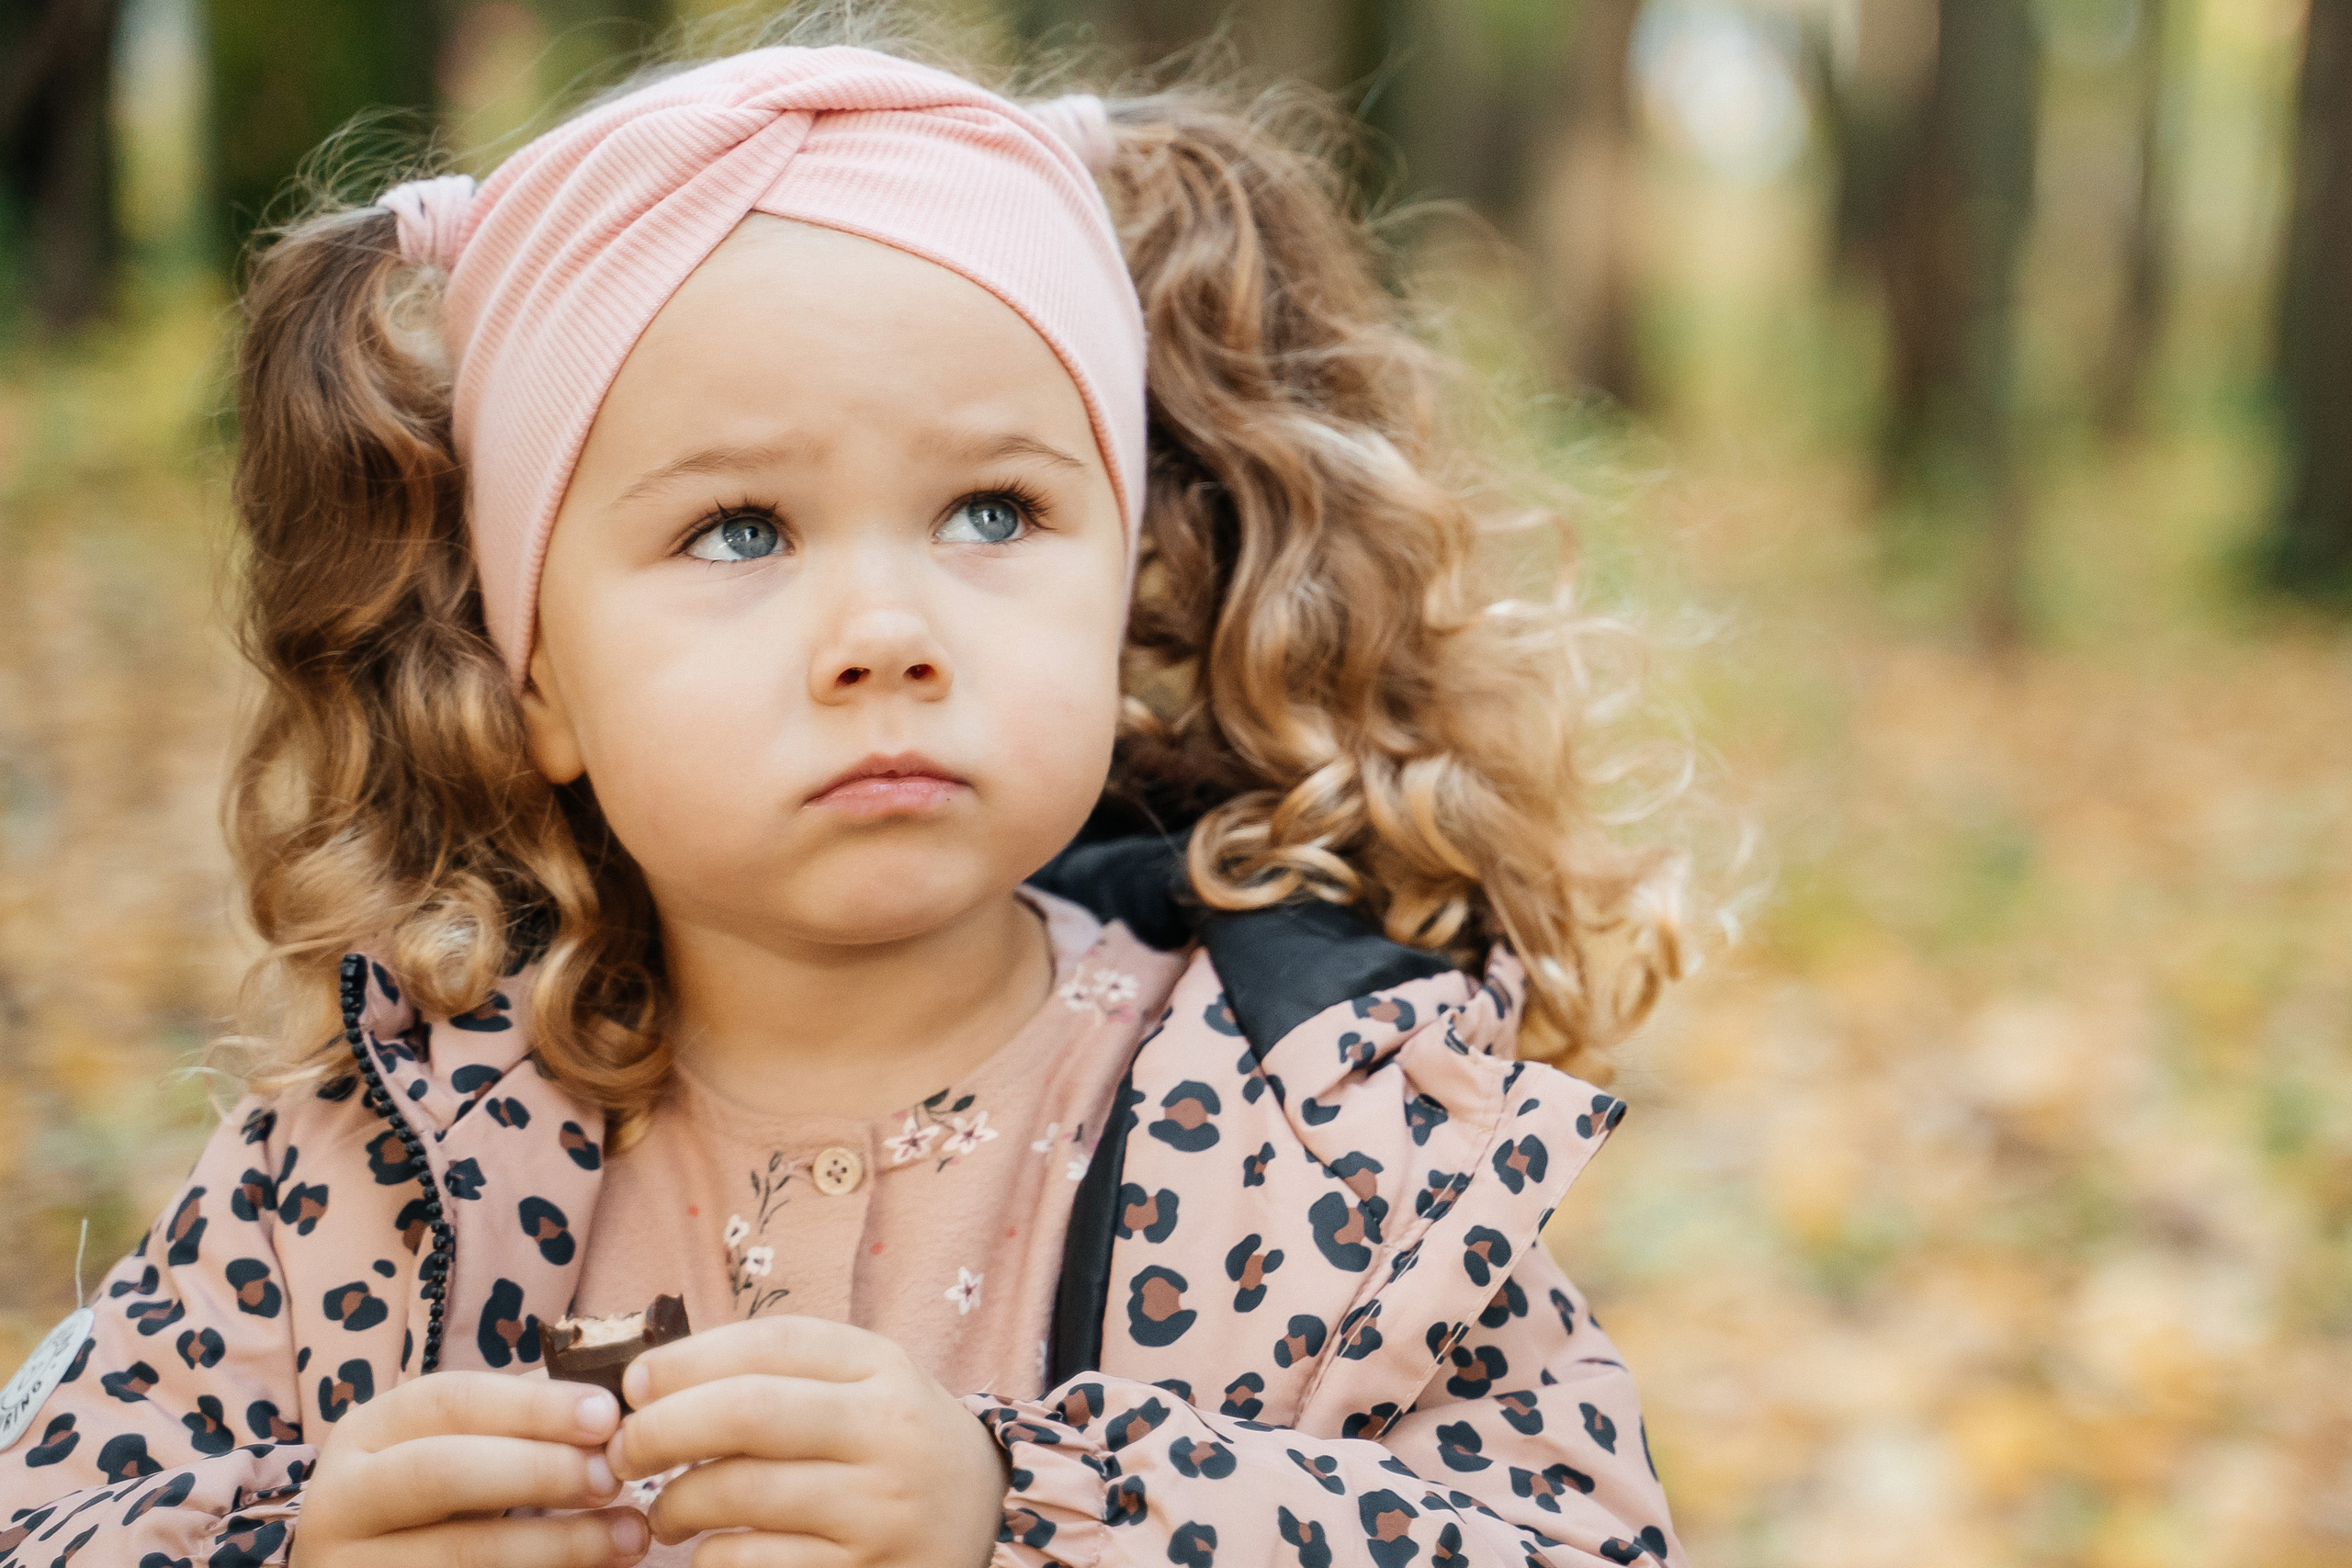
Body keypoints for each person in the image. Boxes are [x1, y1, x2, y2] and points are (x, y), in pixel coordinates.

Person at [0, 19, 1694, 1568]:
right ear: (537, 679)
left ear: (1127, 592)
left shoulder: (1325, 1138)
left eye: (992, 513)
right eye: (741, 531)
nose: (886, 634)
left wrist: (1029, 1522)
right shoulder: (377, 1162)